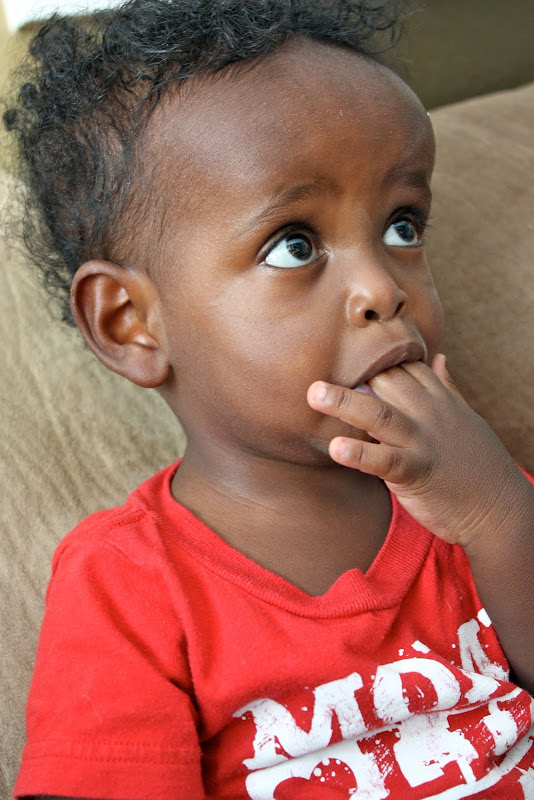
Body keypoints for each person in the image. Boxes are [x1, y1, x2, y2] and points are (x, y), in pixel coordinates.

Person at [5, 0, 534, 797]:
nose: (381, 288)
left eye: (402, 226)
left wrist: (497, 512)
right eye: (294, 244)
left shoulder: (473, 491)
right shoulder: (129, 582)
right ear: (131, 323)